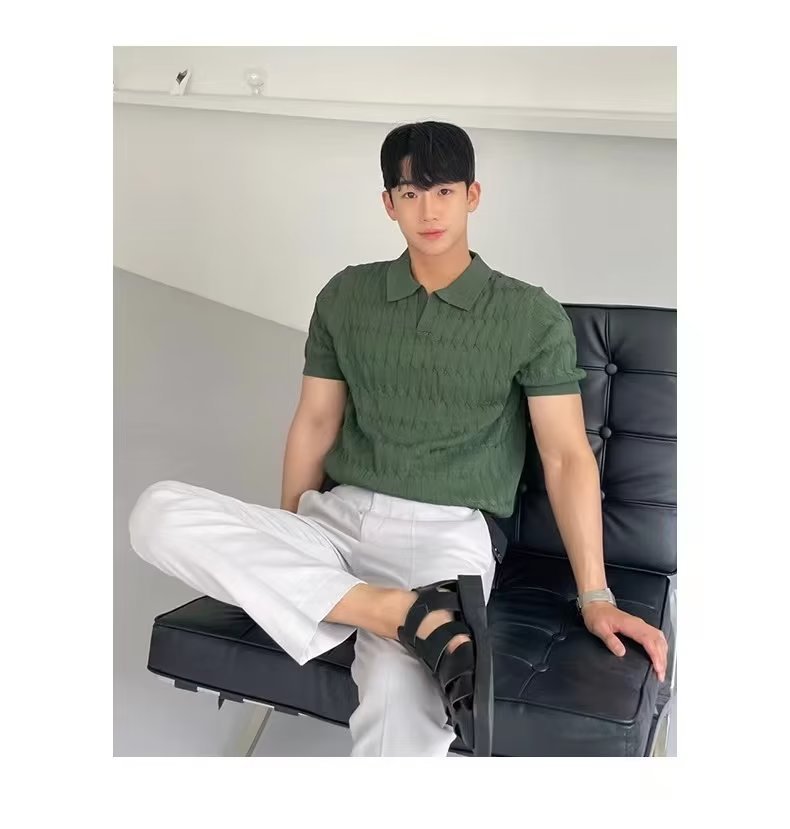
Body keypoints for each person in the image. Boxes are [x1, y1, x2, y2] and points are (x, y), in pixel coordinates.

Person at [129, 120, 668, 757]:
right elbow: (316, 422)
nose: (428, 211)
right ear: (389, 204)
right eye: (410, 194)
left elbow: (566, 456)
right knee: (155, 513)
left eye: (443, 191)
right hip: (333, 523)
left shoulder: (529, 315)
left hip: (441, 542)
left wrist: (596, 596)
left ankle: (407, 612)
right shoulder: (347, 295)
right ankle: (399, 613)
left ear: (472, 195)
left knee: (397, 694)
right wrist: (286, 546)